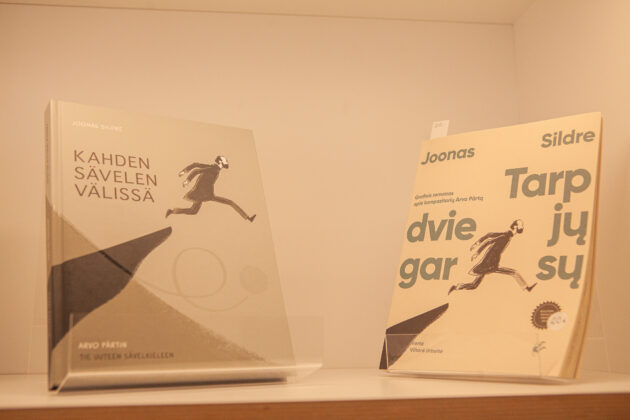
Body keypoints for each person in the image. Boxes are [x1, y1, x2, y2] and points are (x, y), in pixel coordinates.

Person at [448, 219, 536, 294]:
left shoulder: (507, 235)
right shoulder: (506, 236)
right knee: (514, 272)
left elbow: (489, 234)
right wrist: (477, 252)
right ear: (516, 227)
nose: (522, 226)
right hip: (490, 263)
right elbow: (489, 241)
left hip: (489, 263)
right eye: (521, 225)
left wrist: (477, 243)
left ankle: (456, 287)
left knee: (474, 285)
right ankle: (527, 288)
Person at [165, 155, 256, 222]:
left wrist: (184, 171)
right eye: (225, 160)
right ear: (220, 162)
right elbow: (196, 170)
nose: (226, 161)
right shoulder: (213, 169)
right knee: (230, 202)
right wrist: (187, 180)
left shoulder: (213, 168)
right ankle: (248, 218)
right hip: (200, 193)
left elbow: (196, 164)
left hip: (206, 194)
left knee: (193, 211)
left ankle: (172, 211)